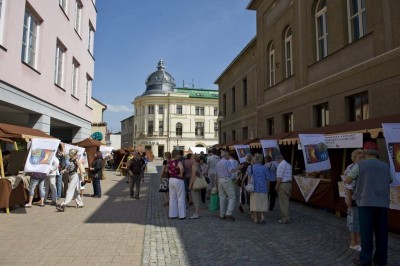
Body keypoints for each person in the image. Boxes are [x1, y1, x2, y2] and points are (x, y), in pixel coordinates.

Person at [345, 142, 392, 266]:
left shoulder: (359, 165)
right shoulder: (385, 165)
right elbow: (390, 180)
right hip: (382, 203)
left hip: (365, 203)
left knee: (366, 233)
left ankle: (365, 261)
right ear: (377, 154)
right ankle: (381, 261)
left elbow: (348, 179)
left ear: (365, 153)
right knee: (382, 234)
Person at [343, 149, 364, 252]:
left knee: (359, 221)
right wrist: (349, 198)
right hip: (354, 198)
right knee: (354, 221)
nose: (362, 159)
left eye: (363, 157)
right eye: (359, 158)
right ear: (354, 159)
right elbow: (349, 185)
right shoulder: (352, 167)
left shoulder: (361, 167)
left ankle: (358, 241)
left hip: (361, 198)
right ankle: (353, 242)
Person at [244, 153, 269, 224]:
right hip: (263, 188)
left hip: (254, 188)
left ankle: (256, 218)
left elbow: (249, 179)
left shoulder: (251, 167)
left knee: (255, 204)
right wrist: (268, 187)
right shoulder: (264, 168)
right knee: (262, 204)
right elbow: (267, 179)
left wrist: (249, 186)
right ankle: (261, 217)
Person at [216, 150, 236, 221]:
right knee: (232, 197)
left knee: (222, 197)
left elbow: (217, 173)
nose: (229, 156)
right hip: (226, 179)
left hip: (220, 180)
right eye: (228, 155)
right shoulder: (227, 162)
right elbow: (230, 171)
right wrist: (237, 168)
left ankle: (222, 214)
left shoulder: (218, 163)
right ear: (226, 156)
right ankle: (229, 213)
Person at [168, 150, 186, 220]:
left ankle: (172, 214)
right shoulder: (178, 162)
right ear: (176, 155)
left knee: (172, 197)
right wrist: (181, 174)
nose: (179, 156)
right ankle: (182, 215)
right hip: (178, 179)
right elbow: (181, 168)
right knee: (180, 197)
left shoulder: (169, 162)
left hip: (171, 179)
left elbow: (168, 171)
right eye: (178, 155)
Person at [275, 154, 292, 224]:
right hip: (289, 184)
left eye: (276, 160)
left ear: (278, 159)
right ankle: (287, 217)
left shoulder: (280, 165)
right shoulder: (288, 165)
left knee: (283, 202)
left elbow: (279, 177)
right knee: (286, 201)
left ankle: (285, 218)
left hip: (283, 184)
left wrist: (276, 186)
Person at [189, 154, 203, 219]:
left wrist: (190, 185)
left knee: (195, 199)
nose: (191, 159)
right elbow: (200, 174)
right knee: (198, 198)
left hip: (195, 184)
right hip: (199, 183)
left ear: (194, 159)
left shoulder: (194, 165)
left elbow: (193, 176)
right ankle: (198, 213)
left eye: (191, 158)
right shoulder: (198, 165)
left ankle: (196, 213)